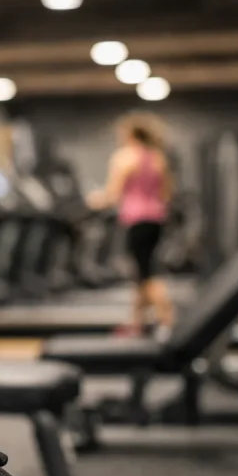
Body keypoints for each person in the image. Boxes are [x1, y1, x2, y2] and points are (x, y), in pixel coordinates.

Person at [87, 112, 174, 338]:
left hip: (136, 219)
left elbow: (113, 194)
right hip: (156, 219)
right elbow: (166, 194)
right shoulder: (157, 158)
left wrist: (94, 200)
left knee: (147, 274)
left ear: (130, 134)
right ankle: (137, 322)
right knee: (141, 273)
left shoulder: (124, 157)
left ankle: (168, 320)